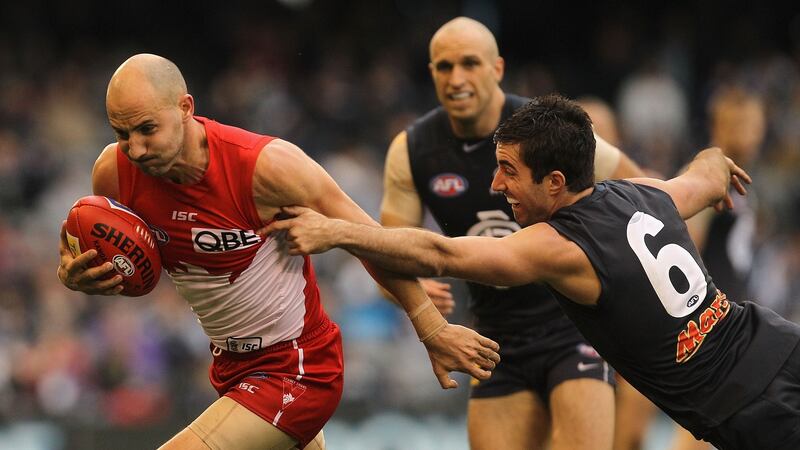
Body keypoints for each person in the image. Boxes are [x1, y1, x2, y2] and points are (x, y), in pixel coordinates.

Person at [266, 95, 800, 450]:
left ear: (555, 182)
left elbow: (441, 254)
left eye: (509, 171)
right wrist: (716, 158)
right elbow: (704, 175)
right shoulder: (647, 194)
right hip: (778, 342)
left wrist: (338, 232)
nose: (495, 185)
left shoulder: (560, 245)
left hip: (747, 407)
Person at [56, 54, 500, 450]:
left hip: (300, 367)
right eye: (121, 133)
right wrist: (76, 277)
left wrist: (429, 326)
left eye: (147, 129)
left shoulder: (265, 166)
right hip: (230, 369)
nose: (135, 148)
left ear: (186, 108)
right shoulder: (115, 174)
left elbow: (370, 241)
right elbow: (110, 256)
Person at [380, 17, 643, 450]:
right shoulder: (412, 150)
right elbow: (390, 256)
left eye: (469, 63)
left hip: (573, 326)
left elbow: (631, 190)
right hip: (494, 340)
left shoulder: (548, 128)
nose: (457, 78)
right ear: (431, 73)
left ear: (497, 68)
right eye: (444, 67)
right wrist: (412, 288)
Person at [614, 86, 769, 450]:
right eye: (742, 123)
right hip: (701, 323)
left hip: (717, 319)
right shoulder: (706, 176)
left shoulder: (737, 174)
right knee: (658, 429)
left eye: (755, 123)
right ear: (719, 125)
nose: (751, 132)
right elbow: (681, 244)